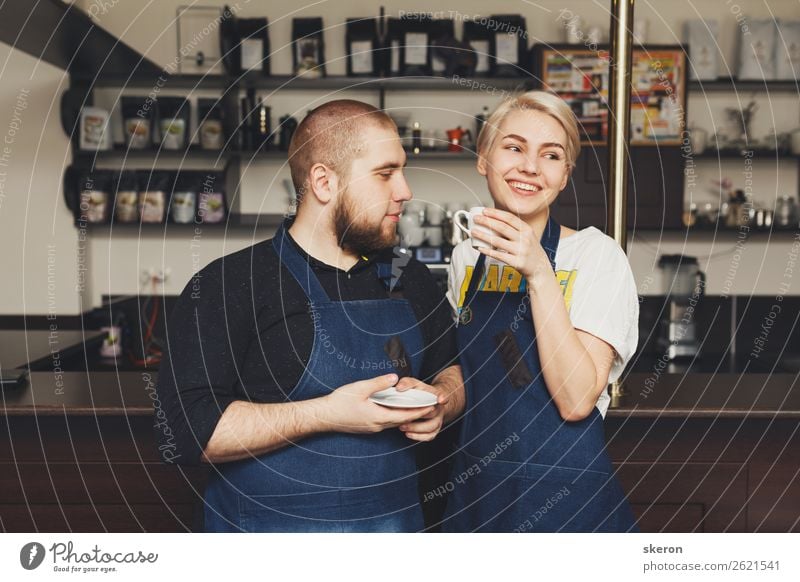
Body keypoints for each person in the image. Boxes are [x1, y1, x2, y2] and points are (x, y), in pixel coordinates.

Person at [155, 99, 464, 532]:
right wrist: (327, 413)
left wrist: (441, 403)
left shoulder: (409, 277)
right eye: (385, 173)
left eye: (403, 170)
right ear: (323, 181)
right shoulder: (228, 285)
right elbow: (190, 432)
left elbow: (451, 371)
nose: (405, 191)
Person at [441, 91, 639, 532]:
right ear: (482, 158)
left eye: (551, 156)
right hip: (480, 489)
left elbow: (576, 400)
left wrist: (539, 271)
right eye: (513, 147)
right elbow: (477, 373)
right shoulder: (465, 259)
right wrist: (438, 400)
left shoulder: (596, 256)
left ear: (564, 175)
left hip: (565, 498)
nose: (530, 167)